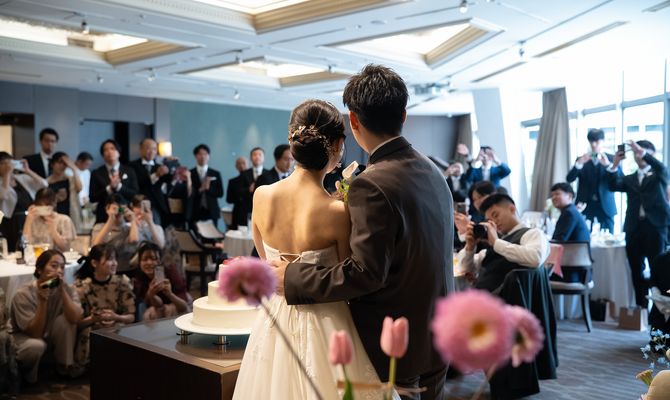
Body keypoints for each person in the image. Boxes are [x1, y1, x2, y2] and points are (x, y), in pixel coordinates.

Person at [269, 65, 453, 399]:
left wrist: (293, 277)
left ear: (353, 120)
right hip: (436, 335)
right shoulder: (433, 171)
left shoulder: (372, 183)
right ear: (404, 115)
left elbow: (366, 273)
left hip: (396, 346)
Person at [235, 98, 386, 399]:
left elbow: (266, 260)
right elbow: (348, 278)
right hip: (327, 322)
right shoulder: (336, 212)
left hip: (275, 319)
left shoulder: (261, 195)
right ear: (337, 145)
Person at [608, 140, 670, 308]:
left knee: (658, 269)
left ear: (652, 155)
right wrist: (615, 164)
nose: (639, 155)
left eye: (643, 152)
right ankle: (641, 309)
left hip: (656, 228)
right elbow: (613, 185)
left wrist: (643, 152)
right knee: (636, 270)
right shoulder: (630, 178)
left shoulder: (659, 175)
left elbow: (662, 168)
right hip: (633, 228)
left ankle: (660, 310)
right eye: (636, 153)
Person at [10, 250, 83, 383]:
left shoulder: (67, 288)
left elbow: (75, 319)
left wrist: (62, 291)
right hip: (24, 338)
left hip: (49, 334)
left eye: (62, 267)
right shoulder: (23, 294)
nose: (59, 270)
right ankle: (25, 377)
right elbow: (35, 333)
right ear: (39, 270)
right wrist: (42, 301)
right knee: (36, 345)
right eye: (54, 266)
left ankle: (63, 367)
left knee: (66, 321)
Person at [459, 193, 550, 293]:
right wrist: (470, 248)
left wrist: (496, 243)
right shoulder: (498, 242)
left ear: (512, 209)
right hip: (483, 297)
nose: (494, 222)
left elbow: (535, 258)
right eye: (489, 221)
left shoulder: (533, 234)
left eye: (495, 215)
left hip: (504, 300)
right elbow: (465, 269)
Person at [73, 244, 135, 365]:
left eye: (115, 259)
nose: (114, 263)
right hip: (92, 328)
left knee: (120, 330)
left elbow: (131, 317)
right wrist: (93, 319)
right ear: (94, 263)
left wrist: (116, 317)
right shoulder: (81, 287)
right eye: (110, 259)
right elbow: (78, 324)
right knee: (89, 334)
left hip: (117, 325)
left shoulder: (122, 282)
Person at [566, 128, 618, 233]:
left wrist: (608, 166)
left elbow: (618, 180)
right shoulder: (581, 159)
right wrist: (579, 164)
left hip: (606, 207)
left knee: (608, 239)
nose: (594, 144)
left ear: (603, 141)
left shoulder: (611, 159)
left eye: (597, 141)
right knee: (583, 237)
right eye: (591, 141)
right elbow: (569, 179)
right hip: (584, 206)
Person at [0, 152, 47, 250]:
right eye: (4, 163)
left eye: (10, 162)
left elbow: (44, 184)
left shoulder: (21, 178)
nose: (8, 166)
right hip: (10, 221)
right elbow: (3, 195)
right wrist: (7, 174)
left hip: (28, 217)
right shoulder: (2, 182)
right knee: (13, 248)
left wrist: (27, 170)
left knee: (29, 246)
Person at [132, 241, 189, 321]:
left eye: (153, 259)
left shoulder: (171, 272)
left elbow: (183, 307)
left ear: (160, 261)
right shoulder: (139, 278)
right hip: (157, 308)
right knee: (151, 314)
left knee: (170, 310)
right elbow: (158, 305)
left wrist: (170, 294)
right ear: (139, 262)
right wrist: (151, 294)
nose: (149, 262)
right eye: (144, 259)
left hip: (179, 303)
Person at [89, 139, 138, 224]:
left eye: (112, 148)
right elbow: (92, 198)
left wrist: (119, 187)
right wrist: (109, 188)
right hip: (104, 215)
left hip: (125, 213)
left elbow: (135, 193)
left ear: (119, 152)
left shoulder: (129, 171)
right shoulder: (96, 173)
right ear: (102, 155)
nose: (109, 152)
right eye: (106, 150)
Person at [90, 194, 139, 274]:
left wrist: (133, 220)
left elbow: (134, 240)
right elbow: (96, 245)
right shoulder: (99, 227)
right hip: (106, 271)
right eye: (115, 208)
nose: (118, 212)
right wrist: (111, 218)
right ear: (107, 209)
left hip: (128, 270)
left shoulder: (130, 228)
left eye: (121, 209)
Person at [129, 138, 172, 227]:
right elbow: (138, 184)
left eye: (154, 149)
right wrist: (156, 175)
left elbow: (171, 181)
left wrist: (171, 166)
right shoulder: (132, 166)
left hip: (159, 204)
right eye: (148, 148)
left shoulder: (160, 166)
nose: (152, 151)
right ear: (141, 149)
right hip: (140, 204)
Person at [23, 188, 77, 252]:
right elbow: (25, 245)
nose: (44, 208)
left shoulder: (64, 220)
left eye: (47, 205)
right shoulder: (33, 220)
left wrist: (53, 231)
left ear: (54, 204)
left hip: (58, 256)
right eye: (40, 205)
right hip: (37, 256)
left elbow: (66, 248)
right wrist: (28, 221)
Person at [188, 144, 223, 228]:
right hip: (195, 211)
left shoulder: (215, 173)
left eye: (205, 154)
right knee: (195, 234)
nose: (203, 156)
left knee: (212, 235)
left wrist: (208, 188)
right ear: (196, 156)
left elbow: (220, 193)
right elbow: (188, 194)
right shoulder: (190, 173)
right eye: (200, 154)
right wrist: (200, 189)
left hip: (212, 211)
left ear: (208, 156)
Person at [47, 152, 83, 232]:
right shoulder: (46, 182)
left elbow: (79, 188)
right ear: (52, 164)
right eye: (60, 162)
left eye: (65, 164)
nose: (62, 166)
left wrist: (73, 168)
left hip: (70, 216)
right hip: (53, 217)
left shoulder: (70, 179)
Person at [240, 147, 269, 219]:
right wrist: (248, 190)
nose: (257, 157)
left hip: (265, 210)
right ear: (251, 158)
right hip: (248, 210)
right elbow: (239, 192)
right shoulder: (244, 174)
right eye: (254, 155)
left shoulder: (269, 174)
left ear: (264, 158)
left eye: (260, 155)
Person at [226, 157, 250, 230]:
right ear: (236, 166)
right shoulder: (232, 181)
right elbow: (229, 199)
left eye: (243, 163)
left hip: (252, 212)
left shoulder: (255, 180)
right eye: (239, 163)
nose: (241, 165)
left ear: (248, 164)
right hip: (238, 212)